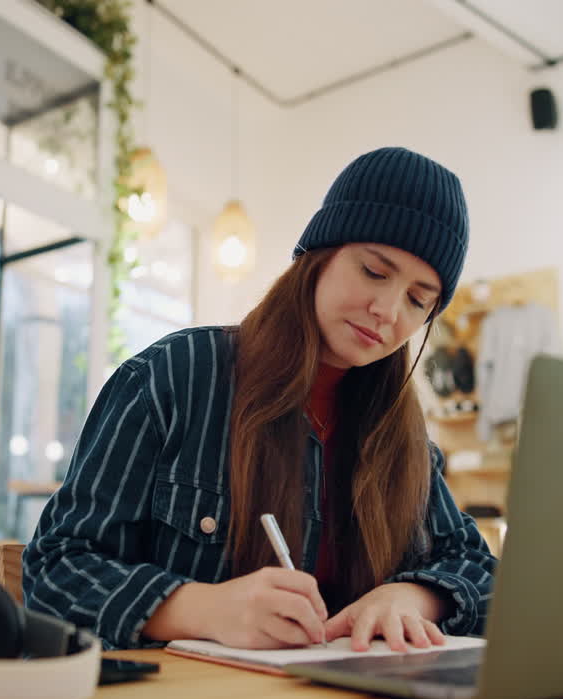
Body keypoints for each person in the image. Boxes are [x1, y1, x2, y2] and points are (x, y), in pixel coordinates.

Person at [24, 147, 496, 652]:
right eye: (375, 273)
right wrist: (197, 608)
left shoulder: (403, 440)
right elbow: (55, 567)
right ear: (319, 254)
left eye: (418, 300)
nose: (387, 310)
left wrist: (414, 598)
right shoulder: (175, 377)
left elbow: (483, 574)